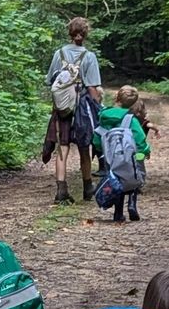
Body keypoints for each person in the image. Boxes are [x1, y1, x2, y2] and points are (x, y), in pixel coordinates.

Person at [43, 17, 102, 204]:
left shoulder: (58, 54)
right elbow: (93, 87)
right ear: (85, 34)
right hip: (82, 108)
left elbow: (50, 81)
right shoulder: (89, 57)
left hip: (61, 109)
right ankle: (87, 187)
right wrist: (98, 107)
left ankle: (61, 190)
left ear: (69, 32)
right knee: (85, 147)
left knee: (63, 147)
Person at [94, 92, 149, 224]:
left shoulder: (104, 116)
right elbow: (140, 139)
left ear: (117, 98)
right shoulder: (131, 119)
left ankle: (118, 213)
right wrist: (145, 151)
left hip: (110, 156)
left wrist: (100, 149)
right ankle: (131, 205)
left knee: (116, 180)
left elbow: (97, 137)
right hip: (129, 156)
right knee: (134, 176)